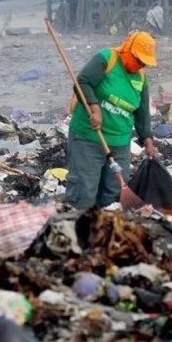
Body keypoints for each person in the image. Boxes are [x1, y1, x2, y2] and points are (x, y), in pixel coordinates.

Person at [65, 31, 160, 209]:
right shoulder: (107, 59)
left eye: (144, 63)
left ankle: (107, 231)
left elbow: (142, 112)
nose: (140, 65)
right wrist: (95, 109)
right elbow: (83, 82)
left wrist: (147, 140)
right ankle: (78, 231)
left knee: (113, 195)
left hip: (120, 144)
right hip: (89, 139)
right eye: (138, 60)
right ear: (127, 49)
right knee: (84, 192)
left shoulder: (140, 78)